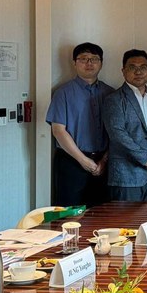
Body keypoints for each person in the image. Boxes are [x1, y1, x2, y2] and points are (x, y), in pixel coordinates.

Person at [46, 42, 115, 207]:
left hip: (104, 162)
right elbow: (58, 131)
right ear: (74, 63)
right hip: (72, 161)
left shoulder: (111, 93)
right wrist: (84, 161)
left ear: (101, 63)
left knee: (101, 212)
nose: (89, 63)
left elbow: (116, 132)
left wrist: (104, 160)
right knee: (69, 212)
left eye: (94, 59)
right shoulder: (63, 93)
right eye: (83, 59)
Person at [103, 49, 147, 202]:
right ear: (123, 71)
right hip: (126, 176)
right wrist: (145, 158)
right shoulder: (114, 99)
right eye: (132, 67)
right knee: (126, 217)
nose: (138, 72)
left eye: (143, 67)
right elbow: (117, 134)